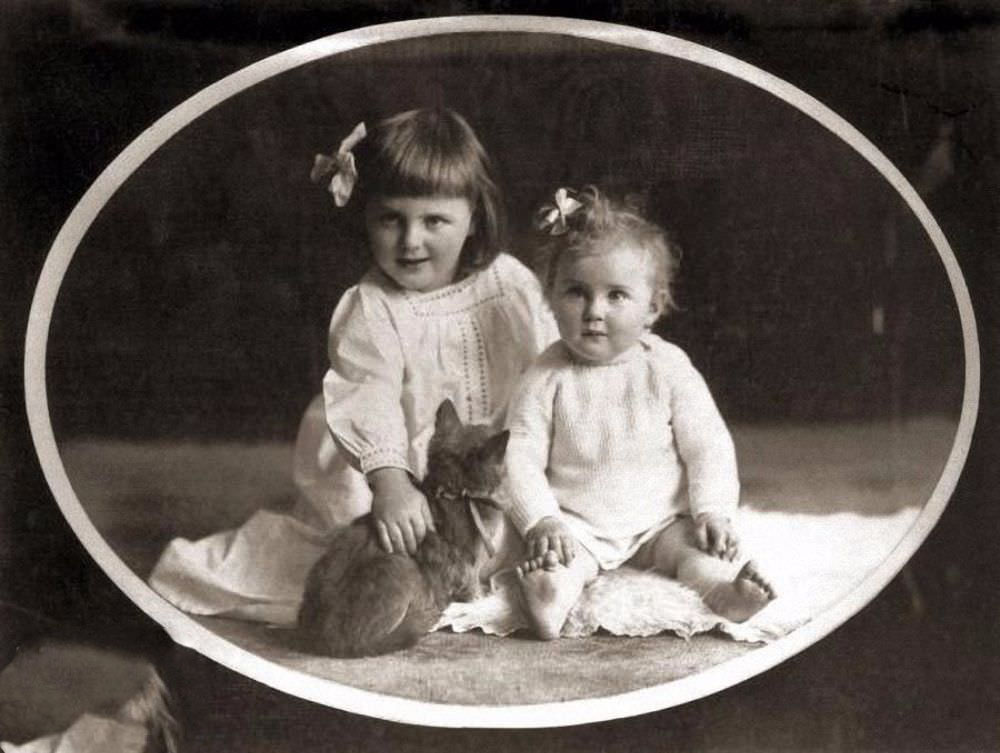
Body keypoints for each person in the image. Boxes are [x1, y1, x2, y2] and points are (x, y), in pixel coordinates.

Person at [149, 108, 556, 625]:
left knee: (549, 528)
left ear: (473, 214)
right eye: (391, 218)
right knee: (358, 554)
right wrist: (390, 483)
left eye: (434, 221)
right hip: (391, 465)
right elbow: (367, 393)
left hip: (490, 467)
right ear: (365, 215)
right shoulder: (372, 306)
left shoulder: (509, 283)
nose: (410, 241)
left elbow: (548, 365)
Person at [505, 186, 775, 640]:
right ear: (550, 297)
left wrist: (712, 511)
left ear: (652, 307)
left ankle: (725, 593)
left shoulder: (667, 367)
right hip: (579, 521)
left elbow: (707, 445)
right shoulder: (545, 376)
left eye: (615, 296)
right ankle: (550, 598)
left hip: (659, 520)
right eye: (576, 293)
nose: (594, 311)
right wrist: (542, 519)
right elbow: (519, 455)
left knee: (694, 554)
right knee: (564, 561)